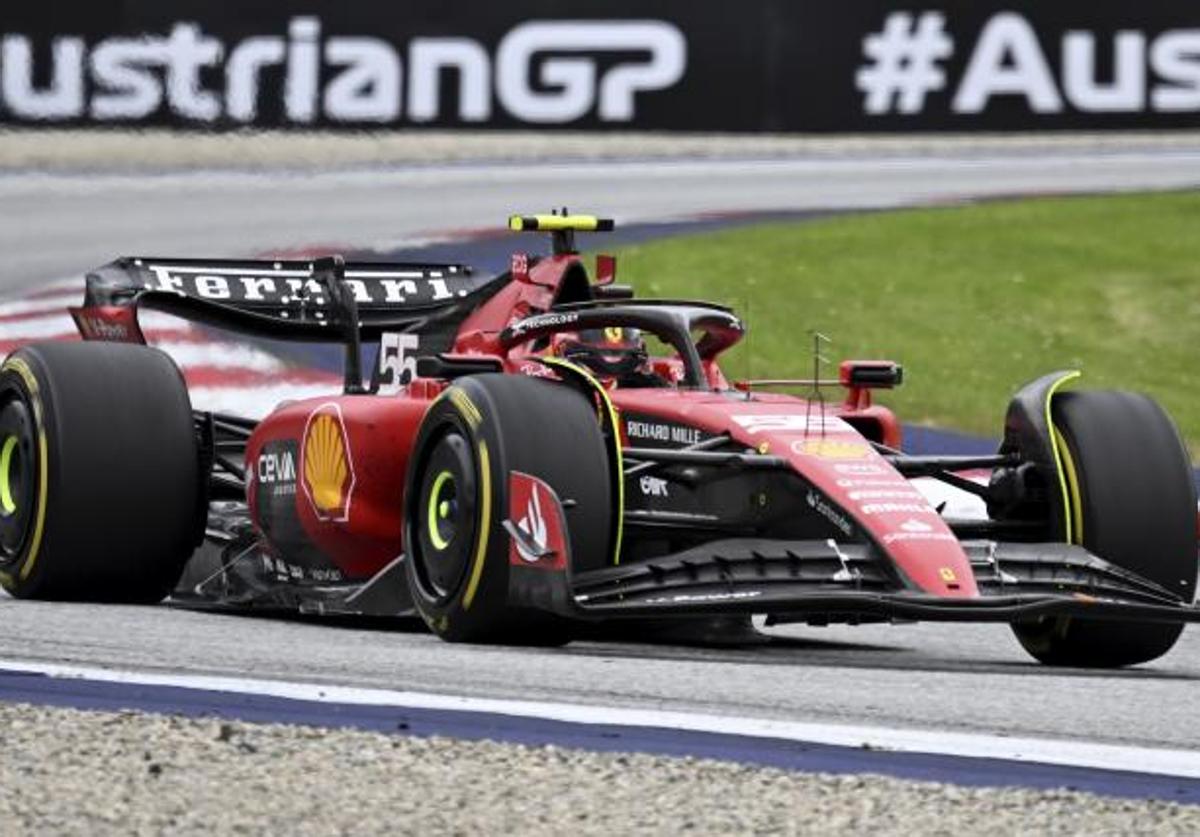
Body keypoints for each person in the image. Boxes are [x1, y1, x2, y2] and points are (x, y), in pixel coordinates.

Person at [551, 327, 668, 388]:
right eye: (605, 352)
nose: (611, 361)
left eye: (616, 353)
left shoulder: (646, 384)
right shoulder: (554, 386)